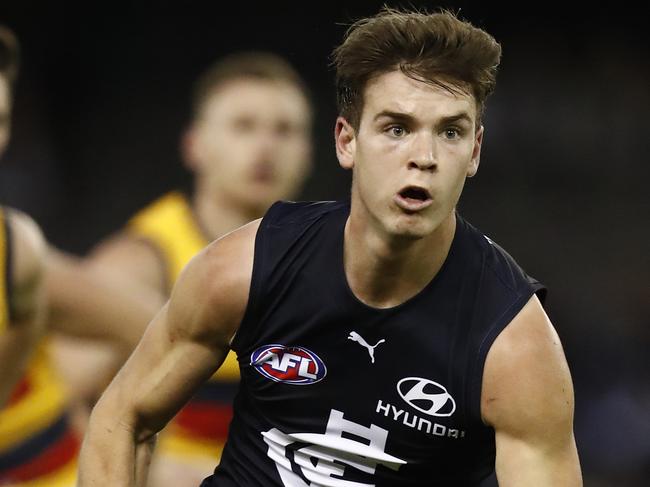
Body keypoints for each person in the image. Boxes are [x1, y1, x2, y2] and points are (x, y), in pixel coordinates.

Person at [79, 7, 582, 486]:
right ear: (346, 141)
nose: (424, 157)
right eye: (396, 128)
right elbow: (122, 417)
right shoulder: (243, 269)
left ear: (474, 152)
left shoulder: (515, 348)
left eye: (450, 132)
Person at [68, 51, 313, 485]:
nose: (266, 147)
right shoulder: (143, 262)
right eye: (243, 126)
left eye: (285, 130)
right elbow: (53, 398)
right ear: (195, 145)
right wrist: (157, 472)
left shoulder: (327, 255)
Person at [0, 25, 161, 486]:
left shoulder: (16, 250)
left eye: (0, 120)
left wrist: (131, 450)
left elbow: (155, 328)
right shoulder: (149, 249)